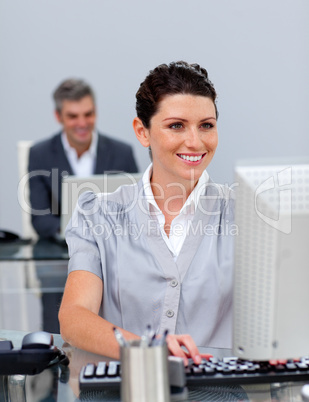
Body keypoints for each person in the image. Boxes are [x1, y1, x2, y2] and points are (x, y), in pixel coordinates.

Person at [59, 61, 235, 365]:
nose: (195, 141)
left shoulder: (246, 214)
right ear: (143, 132)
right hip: (124, 391)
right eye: (176, 125)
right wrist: (148, 351)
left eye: (206, 125)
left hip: (221, 392)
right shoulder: (98, 214)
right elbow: (74, 317)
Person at [28, 78, 138, 238]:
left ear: (96, 111)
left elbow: (133, 211)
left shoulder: (122, 152)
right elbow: (40, 219)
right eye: (73, 116)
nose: (82, 123)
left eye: (88, 114)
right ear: (58, 116)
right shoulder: (40, 154)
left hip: (112, 245)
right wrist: (76, 233)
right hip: (63, 250)